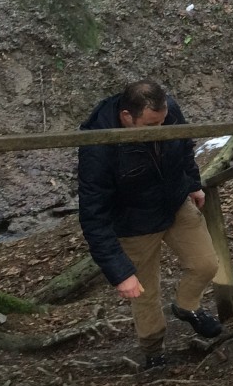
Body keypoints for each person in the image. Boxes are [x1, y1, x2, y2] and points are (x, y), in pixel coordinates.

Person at [77, 79, 222, 369]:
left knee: (206, 264)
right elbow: (93, 213)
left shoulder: (168, 112)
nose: (159, 129)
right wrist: (120, 273)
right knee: (145, 293)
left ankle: (187, 306)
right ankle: (154, 350)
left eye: (163, 122)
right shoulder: (98, 145)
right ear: (126, 117)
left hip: (174, 201)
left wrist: (193, 184)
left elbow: (184, 146)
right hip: (133, 220)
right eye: (151, 125)